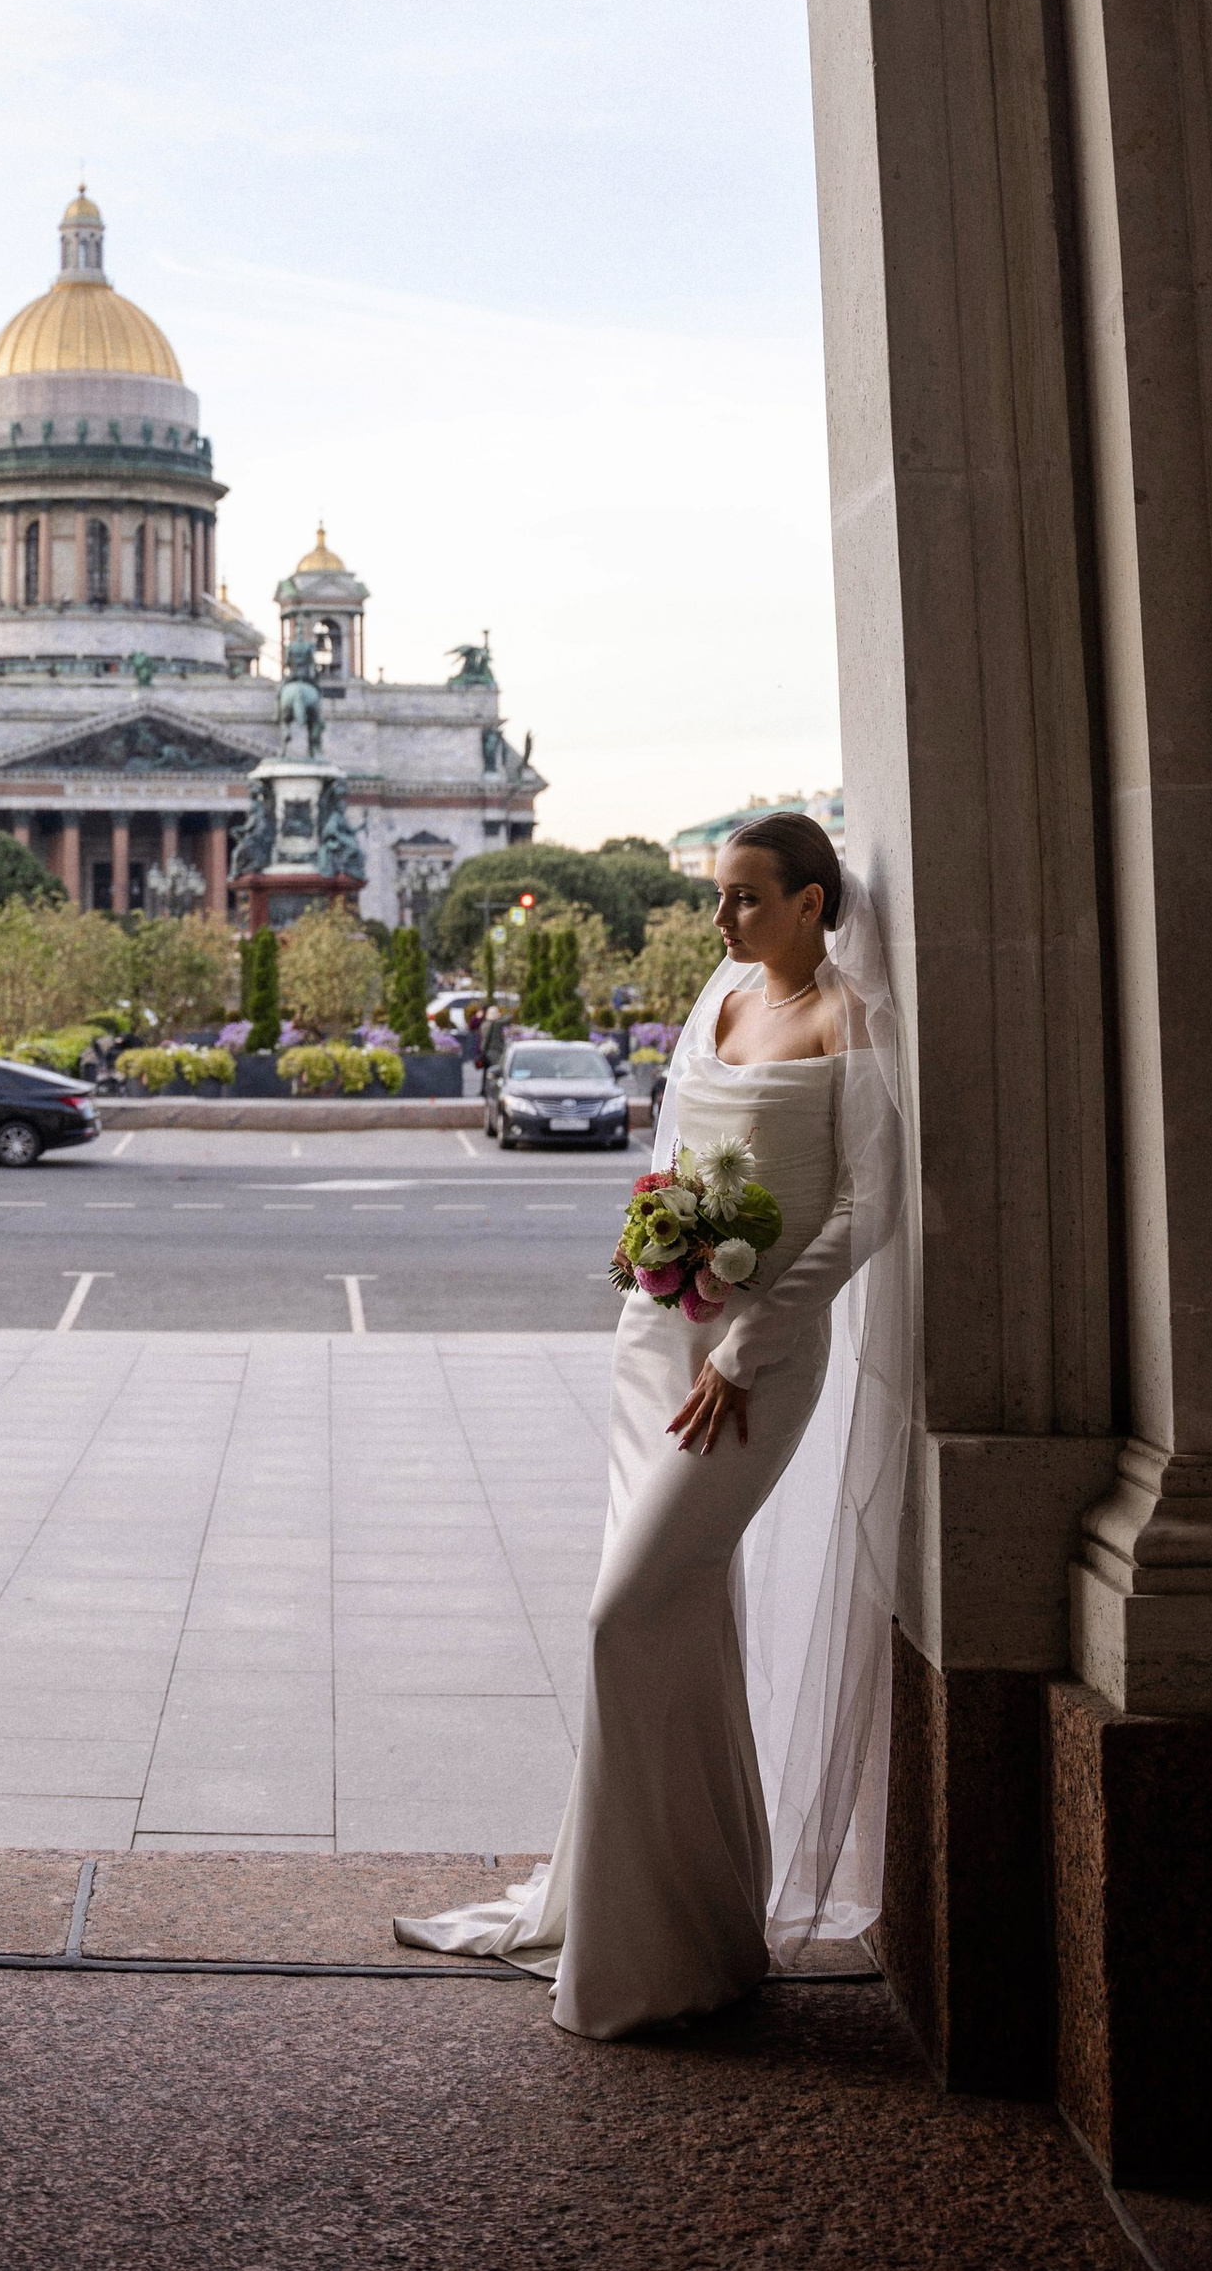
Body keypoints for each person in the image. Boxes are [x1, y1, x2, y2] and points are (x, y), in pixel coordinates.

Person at [397, 812, 908, 2033]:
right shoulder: (723, 1000)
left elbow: (866, 1207)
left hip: (752, 1363)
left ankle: (651, 1936)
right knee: (680, 1616)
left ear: (811, 902)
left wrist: (748, 1336)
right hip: (657, 1342)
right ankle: (690, 1919)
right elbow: (678, 1158)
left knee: (622, 1616)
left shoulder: (849, 1021)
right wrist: (654, 1253)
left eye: (745, 896)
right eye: (718, 894)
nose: (720, 917)